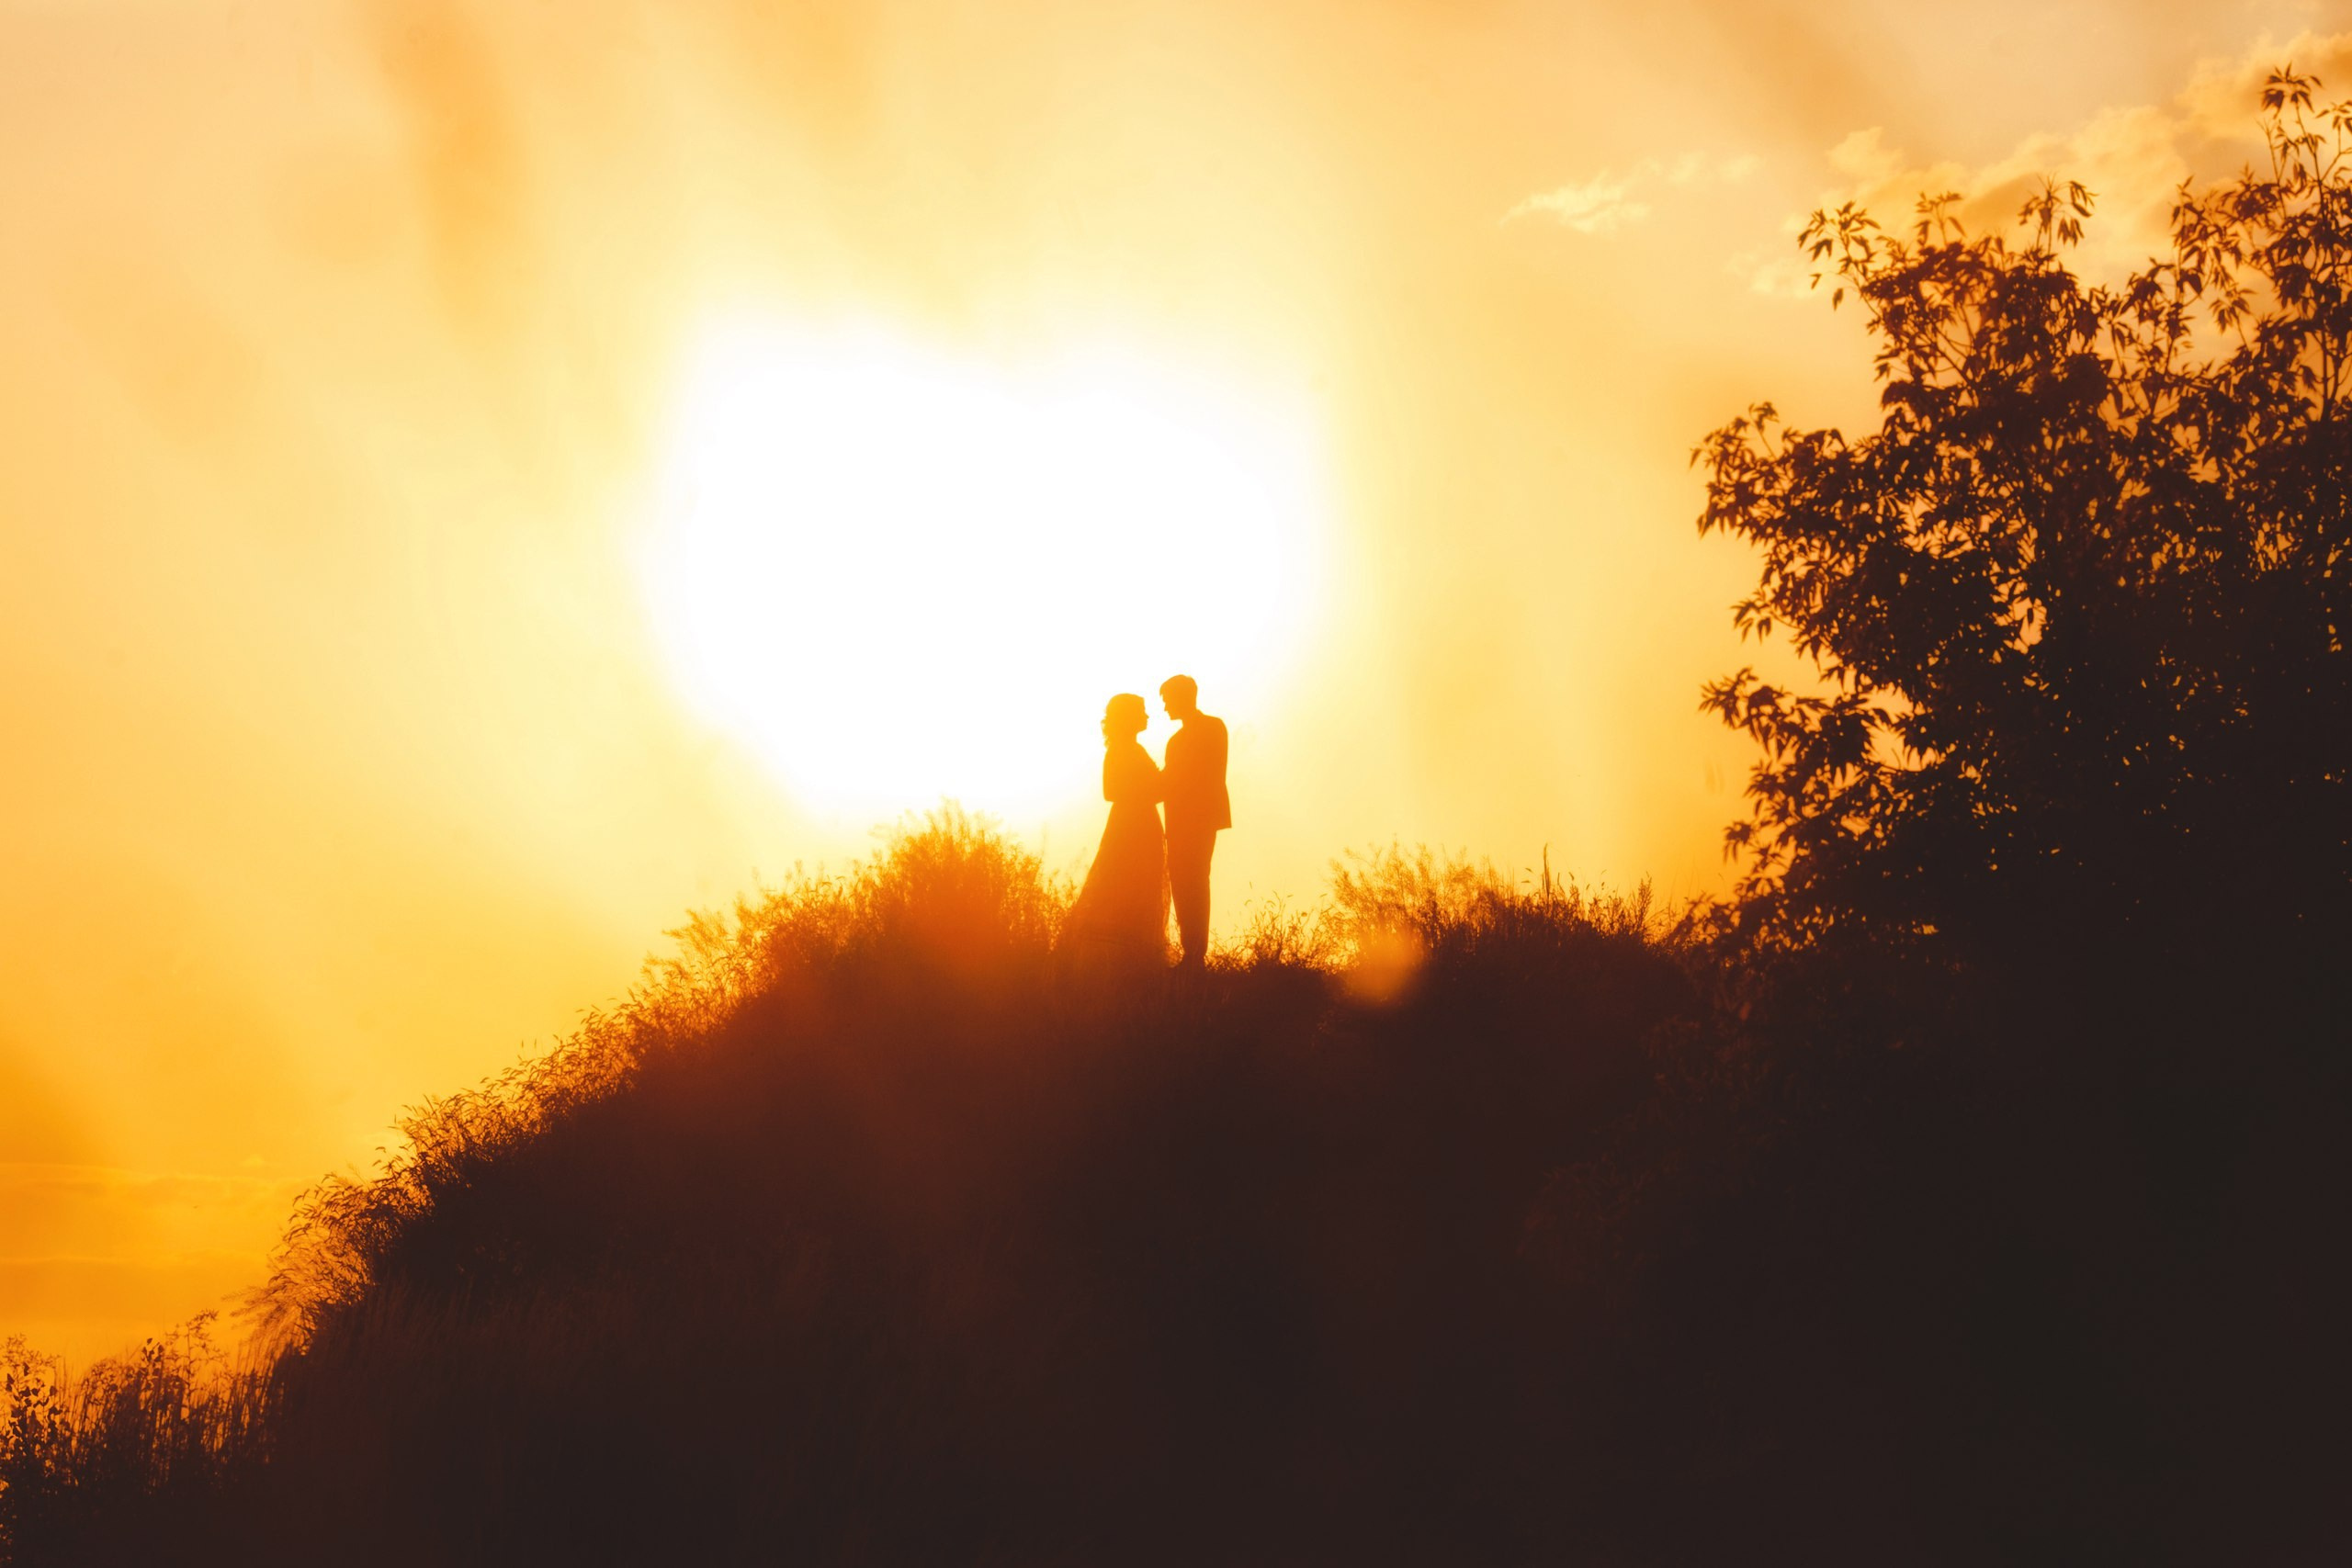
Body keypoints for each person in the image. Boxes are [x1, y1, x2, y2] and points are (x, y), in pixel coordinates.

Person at [1062, 693, 1170, 973]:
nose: (1147, 716)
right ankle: (1116, 959)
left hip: (1139, 822)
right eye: (1142, 711)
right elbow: (1110, 790)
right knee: (1124, 882)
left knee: (1137, 884)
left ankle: (1132, 958)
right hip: (1130, 824)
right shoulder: (1122, 750)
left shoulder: (1132, 748)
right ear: (1129, 717)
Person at [1158, 675, 1229, 970]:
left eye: (1167, 700)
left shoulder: (1212, 727)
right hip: (1178, 823)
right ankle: (1192, 952)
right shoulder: (1175, 741)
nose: (1164, 708)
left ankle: (1195, 954)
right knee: (1182, 883)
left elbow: (1198, 775)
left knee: (1195, 882)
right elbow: (1168, 780)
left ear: (1186, 696)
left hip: (1199, 820)